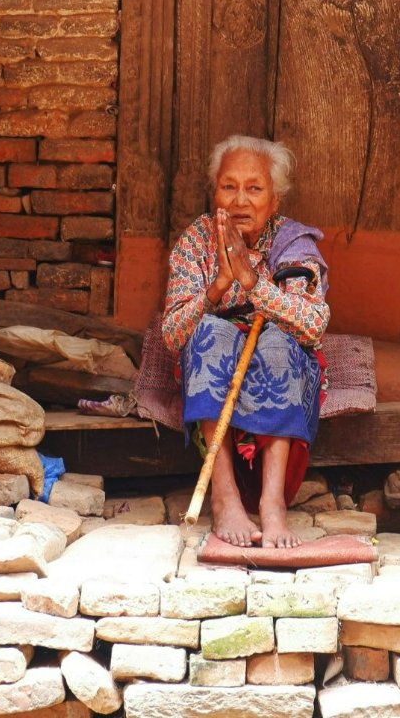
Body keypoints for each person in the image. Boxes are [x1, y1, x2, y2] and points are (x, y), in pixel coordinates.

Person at [161, 135, 330, 548]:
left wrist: (254, 284)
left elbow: (312, 324)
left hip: (274, 353)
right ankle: (225, 498)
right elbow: (172, 335)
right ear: (214, 192)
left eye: (254, 188)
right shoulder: (197, 242)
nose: (240, 200)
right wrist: (218, 286)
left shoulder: (293, 243)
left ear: (275, 199)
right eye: (228, 186)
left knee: (281, 343)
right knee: (208, 333)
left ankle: (273, 505)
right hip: (219, 356)